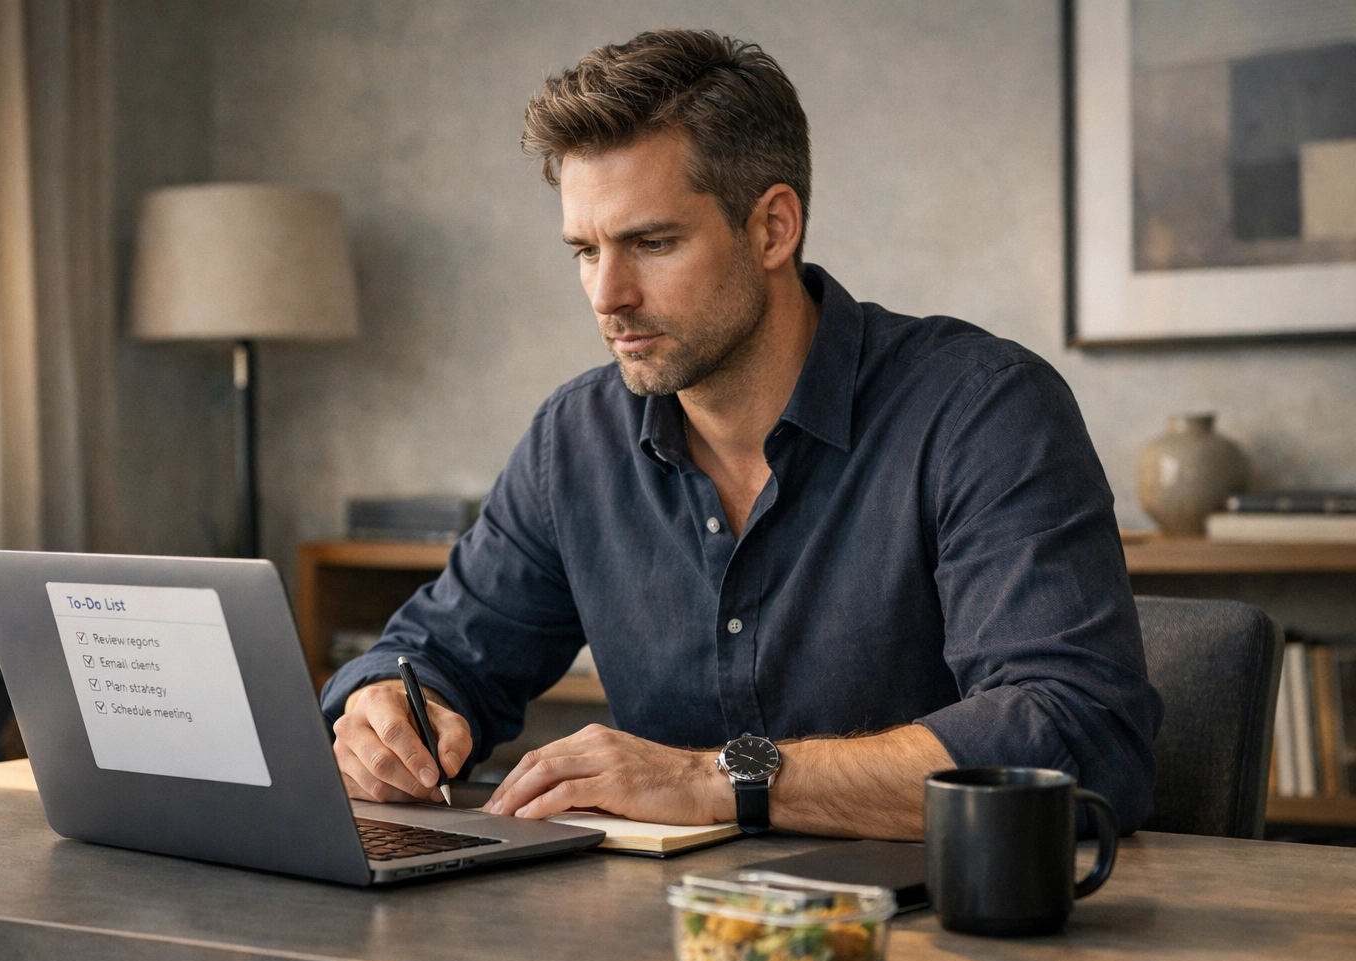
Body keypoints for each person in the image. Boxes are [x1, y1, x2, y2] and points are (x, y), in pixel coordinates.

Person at [322, 29, 1161, 840]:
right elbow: (436, 653)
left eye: (652, 243)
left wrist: (715, 778)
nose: (608, 296)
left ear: (772, 228)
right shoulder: (574, 441)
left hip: (930, 916)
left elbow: (1074, 732)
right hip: (657, 923)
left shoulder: (982, 411)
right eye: (585, 251)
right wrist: (387, 711)